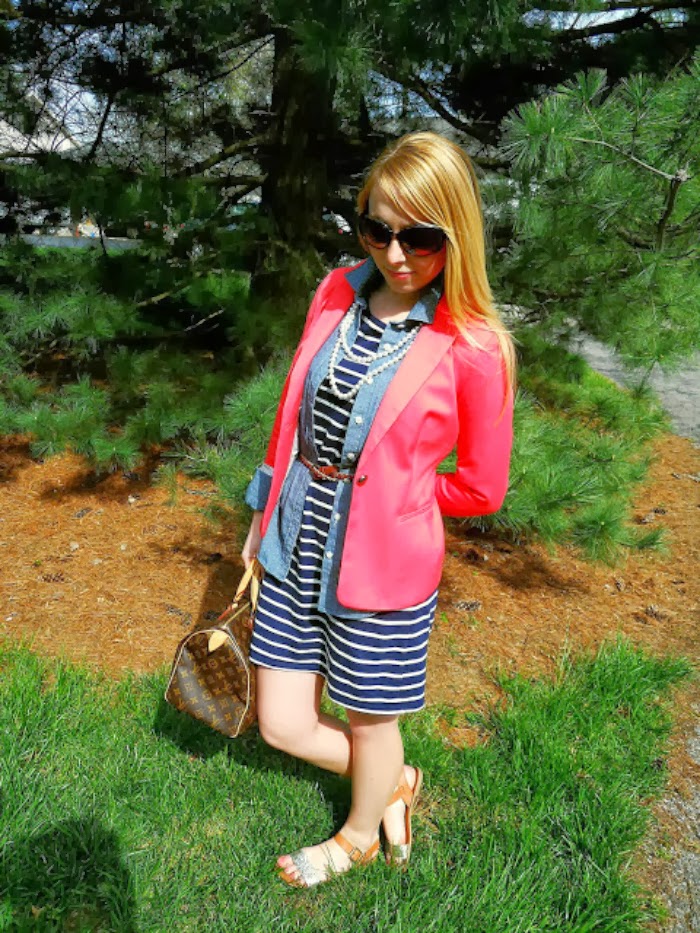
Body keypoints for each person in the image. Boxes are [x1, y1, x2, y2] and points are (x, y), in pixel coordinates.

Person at [241, 131, 515, 888]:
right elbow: (291, 415)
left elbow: (483, 486)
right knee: (280, 722)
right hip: (295, 536)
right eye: (377, 229)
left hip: (384, 562)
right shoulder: (335, 290)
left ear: (456, 234)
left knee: (370, 717)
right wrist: (260, 515)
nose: (396, 254)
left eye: (420, 238)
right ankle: (394, 781)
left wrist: (405, 498)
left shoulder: (476, 347)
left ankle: (359, 835)